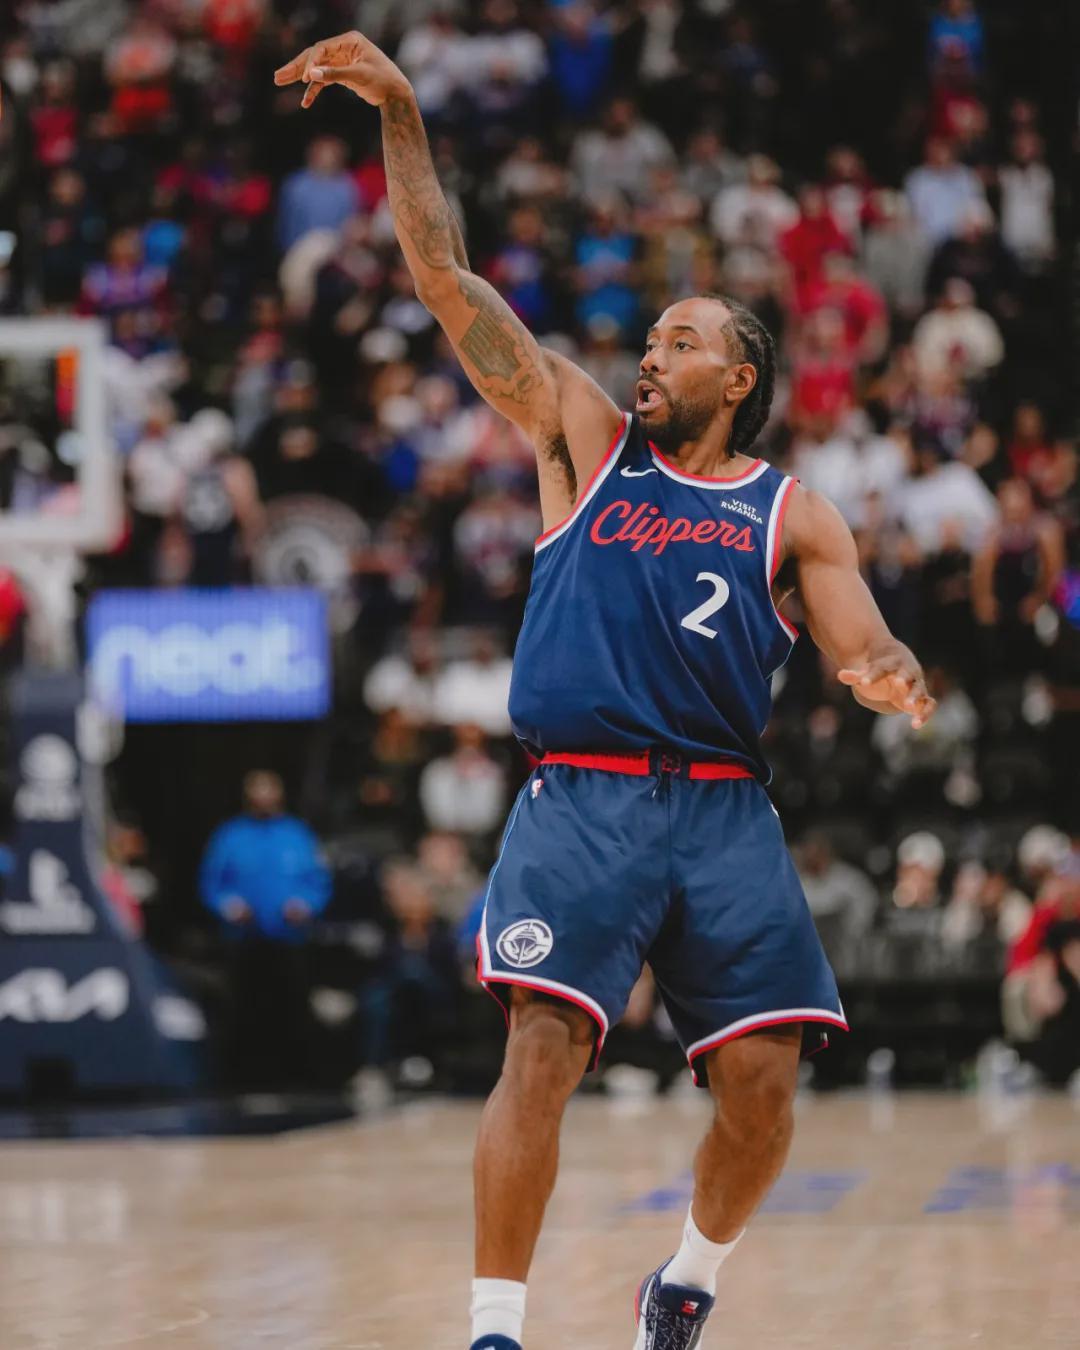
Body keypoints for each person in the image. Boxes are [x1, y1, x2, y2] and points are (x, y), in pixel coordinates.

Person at [275, 33, 937, 1350]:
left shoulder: (792, 512)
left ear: (737, 379)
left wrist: (884, 671)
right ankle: (495, 1330)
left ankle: (684, 1280)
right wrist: (399, 110)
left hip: (723, 809)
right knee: (545, 1048)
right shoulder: (583, 438)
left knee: (764, 1087)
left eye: (681, 342)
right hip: (583, 799)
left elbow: (864, 638)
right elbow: (444, 277)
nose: (651, 353)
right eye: (650, 336)